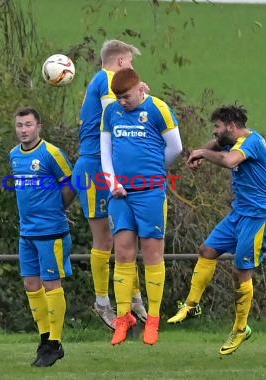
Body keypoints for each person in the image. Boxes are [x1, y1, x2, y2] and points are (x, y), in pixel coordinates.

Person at [167, 105, 266, 356]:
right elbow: (217, 145)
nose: (215, 133)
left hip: (257, 217)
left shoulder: (252, 142)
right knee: (206, 250)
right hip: (238, 213)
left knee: (241, 272)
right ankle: (192, 305)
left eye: (217, 127)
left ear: (230, 125)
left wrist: (203, 152)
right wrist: (199, 152)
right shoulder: (230, 139)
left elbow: (229, 161)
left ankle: (240, 329)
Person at [100, 68, 183, 345]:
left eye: (126, 97)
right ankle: (123, 318)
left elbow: (176, 148)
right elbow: (105, 150)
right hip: (120, 194)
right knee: (122, 253)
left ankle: (154, 320)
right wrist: (112, 182)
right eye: (118, 97)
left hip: (150, 193)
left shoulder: (158, 108)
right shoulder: (111, 112)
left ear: (140, 89)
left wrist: (154, 173)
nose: (123, 102)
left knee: (152, 254)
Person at [72, 39, 148, 329]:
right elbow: (116, 117)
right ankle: (103, 302)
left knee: (125, 237)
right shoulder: (106, 80)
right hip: (94, 167)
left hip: (109, 166)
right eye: (129, 63)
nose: (132, 71)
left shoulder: (102, 80)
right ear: (119, 62)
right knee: (104, 238)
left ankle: (134, 298)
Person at [10, 107, 75, 367]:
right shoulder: (14, 155)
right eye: (19, 125)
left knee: (52, 286)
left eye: (28, 125)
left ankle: (55, 343)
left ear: (39, 127)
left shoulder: (51, 153)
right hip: (27, 232)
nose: (23, 130)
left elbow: (71, 184)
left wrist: (57, 208)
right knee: (30, 285)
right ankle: (45, 338)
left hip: (51, 232)